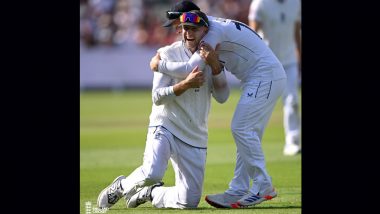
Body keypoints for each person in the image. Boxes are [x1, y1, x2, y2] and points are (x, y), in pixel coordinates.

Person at [150, 10, 287, 208]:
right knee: (247, 133)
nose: (183, 31)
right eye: (182, 27)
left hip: (265, 76)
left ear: (201, 25)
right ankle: (238, 189)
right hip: (264, 76)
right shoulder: (210, 25)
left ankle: (263, 184)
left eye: (188, 27)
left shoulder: (211, 33)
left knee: (241, 129)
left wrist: (158, 65)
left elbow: (190, 70)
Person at [96, 8, 230, 209]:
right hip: (166, 124)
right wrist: (184, 85)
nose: (188, 33)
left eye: (194, 28)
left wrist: (216, 66)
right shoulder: (167, 53)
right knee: (152, 173)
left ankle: (152, 193)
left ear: (205, 31)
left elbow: (222, 97)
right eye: (185, 28)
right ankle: (122, 186)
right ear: (180, 30)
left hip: (195, 134)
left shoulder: (211, 56)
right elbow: (157, 97)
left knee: (188, 202)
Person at [248, 0, 302, 156]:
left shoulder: (296, 3)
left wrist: (299, 54)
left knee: (292, 100)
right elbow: (252, 34)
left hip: (289, 61)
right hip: (268, 62)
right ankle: (252, 142)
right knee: (262, 103)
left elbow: (296, 30)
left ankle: (292, 142)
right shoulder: (260, 3)